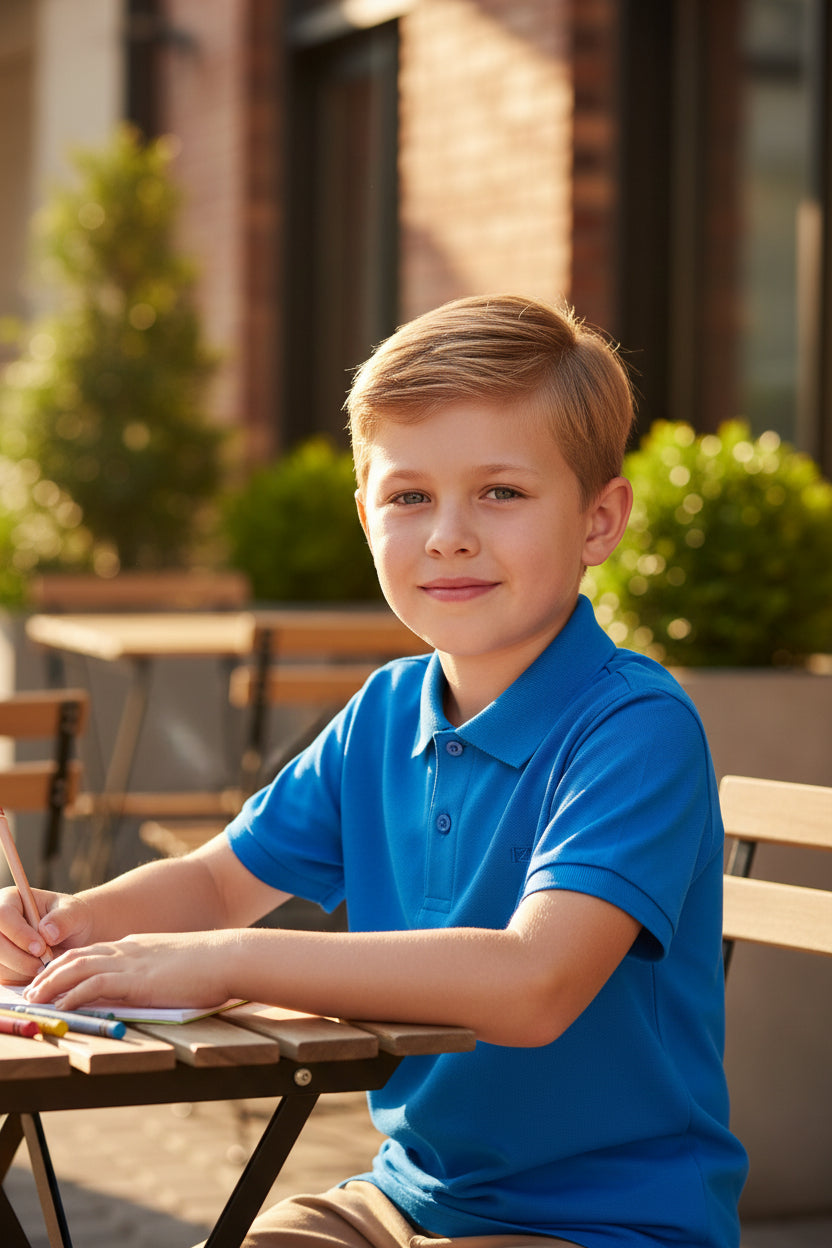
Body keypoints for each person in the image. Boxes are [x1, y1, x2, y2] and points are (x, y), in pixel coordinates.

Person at [0, 294, 748, 1247]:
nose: (448, 535)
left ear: (600, 520)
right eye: (409, 497)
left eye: (502, 493)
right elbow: (220, 881)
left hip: (609, 1224)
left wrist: (227, 960)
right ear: (365, 517)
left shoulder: (634, 728)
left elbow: (532, 982)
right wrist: (76, 927)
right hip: (402, 1199)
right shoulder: (386, 712)